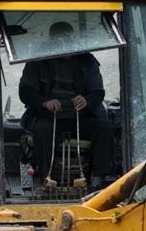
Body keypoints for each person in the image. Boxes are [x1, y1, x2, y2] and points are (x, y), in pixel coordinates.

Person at [19, 21, 111, 184]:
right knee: (42, 130)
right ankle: (45, 179)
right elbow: (26, 91)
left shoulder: (87, 61)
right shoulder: (37, 60)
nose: (63, 45)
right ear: (52, 42)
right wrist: (44, 103)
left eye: (67, 40)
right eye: (59, 41)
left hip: (80, 117)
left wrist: (86, 100)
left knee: (104, 128)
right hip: (48, 118)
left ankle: (98, 180)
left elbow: (97, 92)